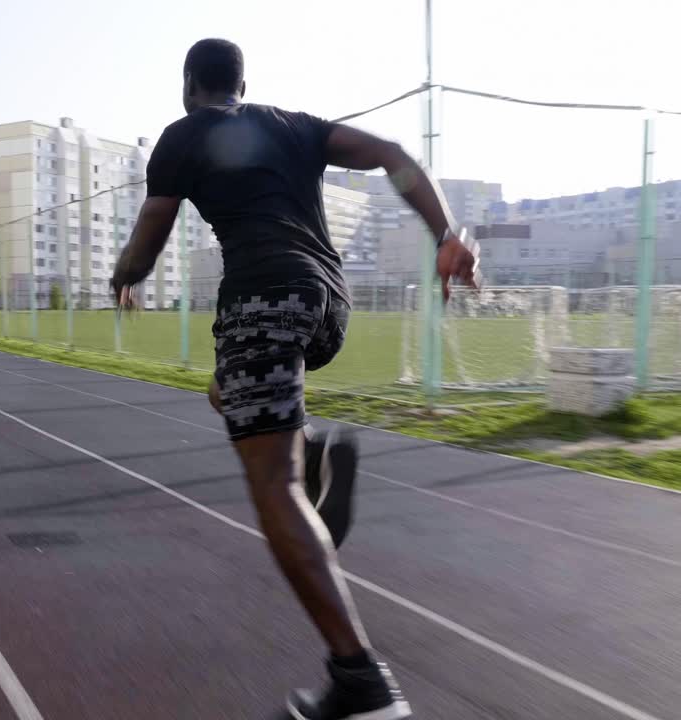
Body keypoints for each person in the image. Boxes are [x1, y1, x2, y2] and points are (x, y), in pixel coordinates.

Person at [111, 38, 478, 720]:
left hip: (263, 296)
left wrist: (123, 276)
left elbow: (150, 233)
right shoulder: (294, 125)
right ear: (242, 86)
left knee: (270, 480)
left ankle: (361, 682)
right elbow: (395, 156)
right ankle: (311, 457)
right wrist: (444, 232)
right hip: (327, 304)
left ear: (190, 84)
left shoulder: (182, 135)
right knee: (232, 390)